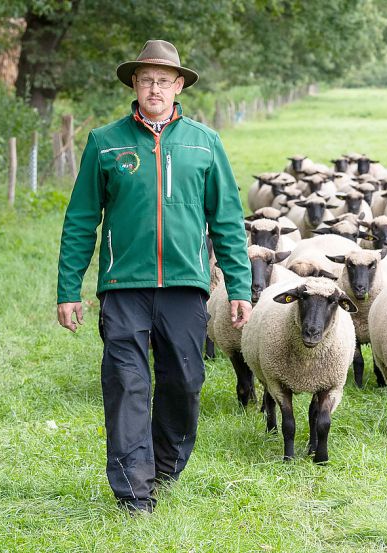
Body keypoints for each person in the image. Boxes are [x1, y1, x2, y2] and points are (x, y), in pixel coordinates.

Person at [56, 39, 252, 514]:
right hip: (123, 286)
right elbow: (82, 218)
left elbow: (226, 217)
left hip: (186, 286)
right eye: (146, 79)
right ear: (134, 85)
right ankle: (133, 491)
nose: (155, 88)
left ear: (179, 85)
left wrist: (239, 286)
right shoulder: (106, 141)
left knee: (184, 381)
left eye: (164, 80)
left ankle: (165, 467)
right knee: (126, 383)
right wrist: (68, 288)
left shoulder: (204, 142)